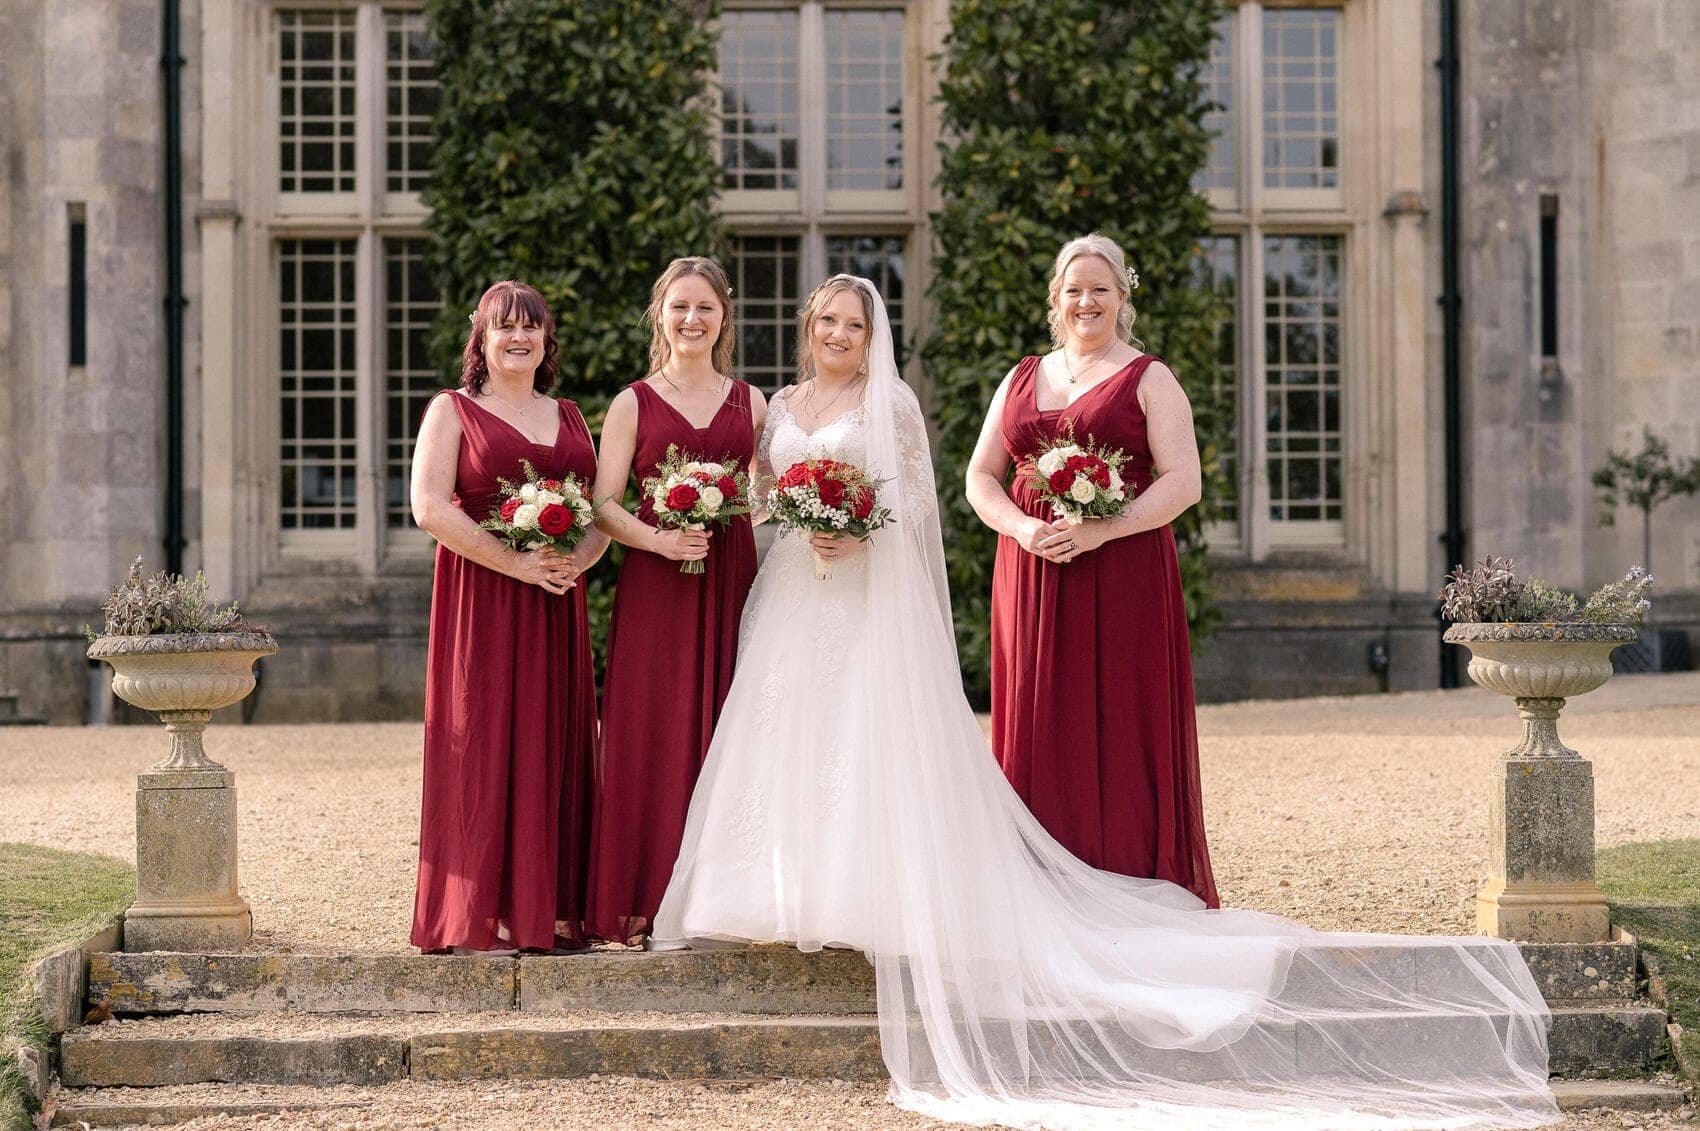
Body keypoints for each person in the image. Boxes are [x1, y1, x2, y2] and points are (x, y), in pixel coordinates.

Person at [653, 275, 1557, 1129]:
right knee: (785, 736)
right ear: (807, 330)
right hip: (795, 596)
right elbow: (769, 495)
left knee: (864, 736)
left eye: (852, 324)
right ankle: (776, 897)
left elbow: (915, 499)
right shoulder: (779, 406)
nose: (838, 335)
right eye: (825, 324)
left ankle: (862, 900)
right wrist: (801, 525)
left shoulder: (894, 404)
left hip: (866, 595)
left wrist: (857, 532)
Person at [965, 232, 1217, 905]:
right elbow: (979, 477)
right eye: (1073, 289)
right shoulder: (1021, 376)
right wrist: (1022, 527)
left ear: (1122, 297)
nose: (1086, 301)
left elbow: (1184, 481)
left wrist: (1105, 528)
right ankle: (1035, 886)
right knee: (1036, 716)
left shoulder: (1149, 376)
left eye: (1100, 289)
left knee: (1119, 720)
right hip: (1032, 576)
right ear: (1056, 299)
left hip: (1123, 576)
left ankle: (1128, 877)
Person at [409, 280, 607, 955]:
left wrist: (573, 560)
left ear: (547, 338)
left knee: (554, 736)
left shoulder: (575, 418)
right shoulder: (453, 410)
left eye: (532, 326)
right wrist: (512, 561)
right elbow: (430, 506)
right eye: (505, 327)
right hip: (482, 601)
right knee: (481, 738)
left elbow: (603, 511)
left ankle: (547, 908)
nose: (519, 338)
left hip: (556, 600)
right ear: (482, 337)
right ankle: (479, 911)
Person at [583, 257, 763, 945]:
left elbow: (766, 494)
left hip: (731, 580)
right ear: (661, 313)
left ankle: (724, 900)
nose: (693, 319)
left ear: (724, 318)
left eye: (706, 308)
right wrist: (658, 541)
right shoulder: (633, 401)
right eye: (680, 306)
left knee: (730, 724)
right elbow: (603, 502)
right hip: (658, 584)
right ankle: (642, 897)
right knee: (651, 730)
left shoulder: (751, 402)